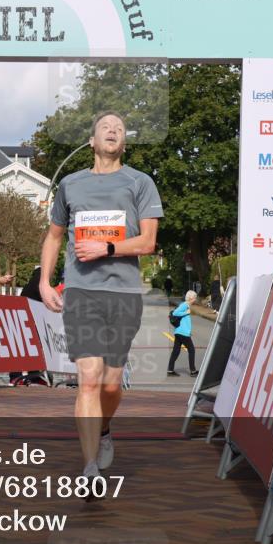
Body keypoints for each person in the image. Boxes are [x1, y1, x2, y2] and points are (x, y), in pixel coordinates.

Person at [39, 110, 163, 481]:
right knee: (89, 378)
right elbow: (55, 237)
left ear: (124, 143)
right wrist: (45, 281)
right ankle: (90, 468)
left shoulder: (140, 182)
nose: (112, 131)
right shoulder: (70, 184)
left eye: (119, 128)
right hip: (81, 292)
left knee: (110, 383)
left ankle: (105, 428)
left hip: (123, 293)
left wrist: (106, 248)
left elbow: (148, 242)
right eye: (105, 127)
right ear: (92, 141)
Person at [167, 290, 198, 377]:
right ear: (191, 298)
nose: (195, 299)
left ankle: (170, 370)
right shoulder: (185, 305)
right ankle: (193, 371)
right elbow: (175, 313)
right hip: (183, 333)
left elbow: (185, 321)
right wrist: (186, 313)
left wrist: (188, 331)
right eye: (195, 297)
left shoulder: (186, 305)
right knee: (191, 350)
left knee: (176, 351)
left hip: (180, 332)